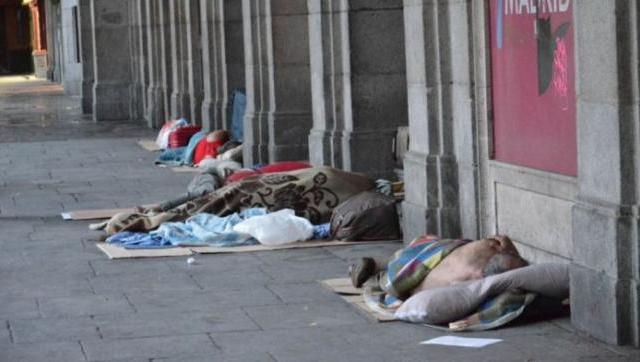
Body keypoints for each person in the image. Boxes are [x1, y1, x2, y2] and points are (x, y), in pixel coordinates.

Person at [350, 234, 528, 303]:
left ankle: (379, 268)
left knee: (407, 261)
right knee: (394, 279)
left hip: (432, 257)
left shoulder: (489, 249)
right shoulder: (473, 276)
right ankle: (378, 273)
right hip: (436, 255)